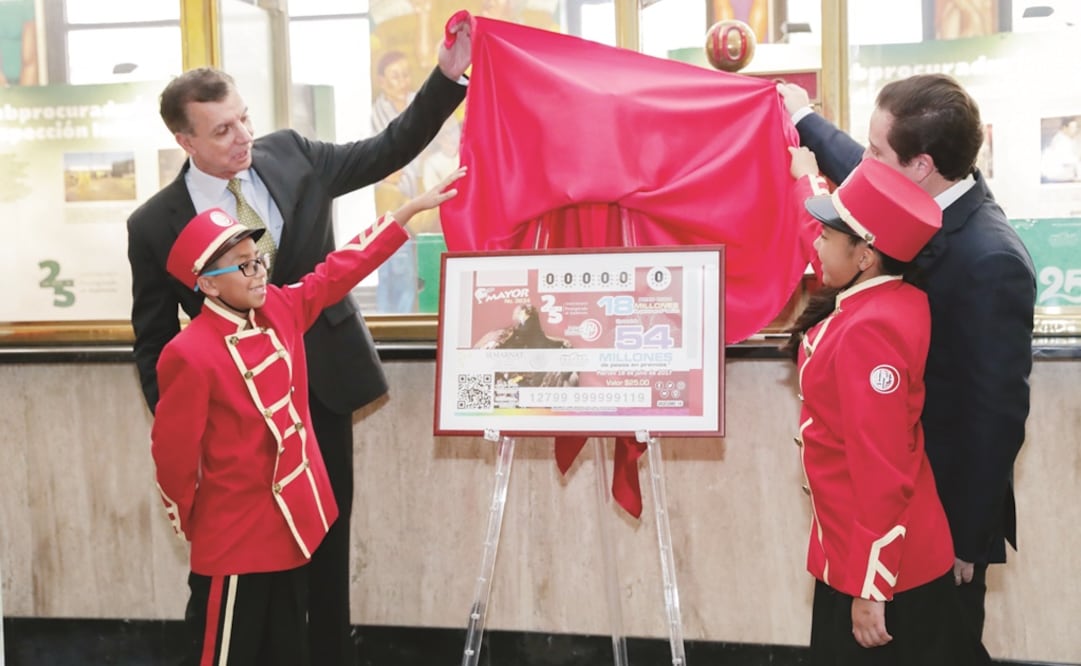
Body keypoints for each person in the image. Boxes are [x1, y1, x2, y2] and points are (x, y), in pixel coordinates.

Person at [127, 15, 471, 666]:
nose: (242, 139)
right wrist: (187, 418)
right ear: (184, 138)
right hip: (232, 416)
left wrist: (448, 77)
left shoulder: (289, 154)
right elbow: (151, 341)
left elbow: (385, 151)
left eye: (244, 119)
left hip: (321, 384)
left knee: (322, 536)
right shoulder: (153, 224)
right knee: (246, 568)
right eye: (222, 130)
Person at [152, 167, 465, 666]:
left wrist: (403, 217)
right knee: (226, 654)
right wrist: (200, 524)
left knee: (286, 652)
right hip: (234, 541)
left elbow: (336, 272)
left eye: (258, 262)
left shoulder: (279, 307)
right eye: (242, 267)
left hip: (295, 527)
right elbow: (173, 459)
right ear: (208, 287)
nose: (258, 276)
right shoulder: (188, 353)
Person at [777, 74, 1036, 642]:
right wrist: (804, 121)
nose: (862, 161)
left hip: (933, 529)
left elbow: (995, 418)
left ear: (920, 165)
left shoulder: (991, 258)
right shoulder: (907, 204)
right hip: (878, 528)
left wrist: (967, 538)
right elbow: (849, 188)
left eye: (875, 152)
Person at [785, 156, 989, 664]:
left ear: (866, 255)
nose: (817, 242)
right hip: (869, 550)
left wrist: (871, 586)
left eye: (828, 236)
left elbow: (882, 471)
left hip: (882, 565)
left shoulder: (867, 331)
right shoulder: (892, 299)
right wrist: (802, 177)